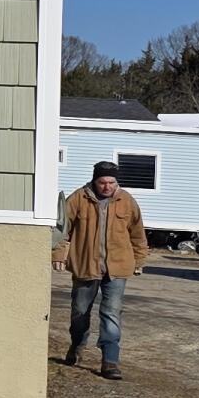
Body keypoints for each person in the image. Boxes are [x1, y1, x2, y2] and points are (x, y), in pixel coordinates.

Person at [55, 160, 150, 378]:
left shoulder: (126, 201)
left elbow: (137, 233)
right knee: (80, 312)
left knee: (111, 313)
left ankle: (110, 360)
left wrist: (139, 259)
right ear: (94, 181)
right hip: (86, 265)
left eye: (111, 182)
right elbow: (62, 229)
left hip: (117, 267)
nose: (107, 187)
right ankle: (77, 346)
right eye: (102, 182)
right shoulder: (79, 198)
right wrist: (59, 254)